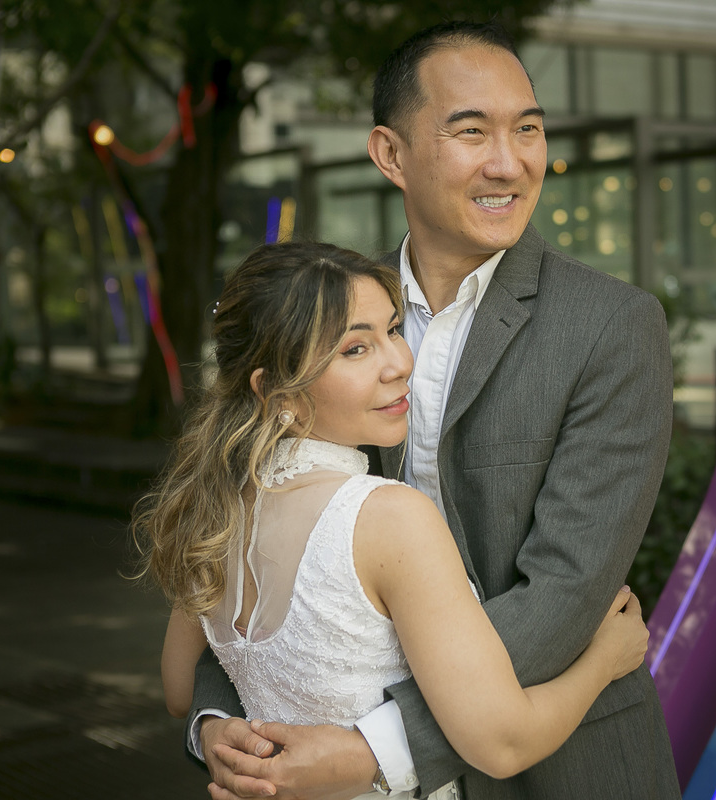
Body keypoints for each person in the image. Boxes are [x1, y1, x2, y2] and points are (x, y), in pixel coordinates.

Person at [191, 20, 681, 800]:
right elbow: (250, 543)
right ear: (391, 154)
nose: (510, 161)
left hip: (563, 763)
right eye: (471, 131)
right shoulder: (341, 316)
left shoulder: (612, 325)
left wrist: (372, 748)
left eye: (528, 129)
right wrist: (220, 723)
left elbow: (565, 591)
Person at [138, 241, 650, 800]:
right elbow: (503, 744)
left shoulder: (212, 509)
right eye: (355, 349)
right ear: (274, 392)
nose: (402, 361)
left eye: (393, 329)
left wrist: (219, 732)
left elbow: (178, 687)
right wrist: (603, 660)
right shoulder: (387, 518)